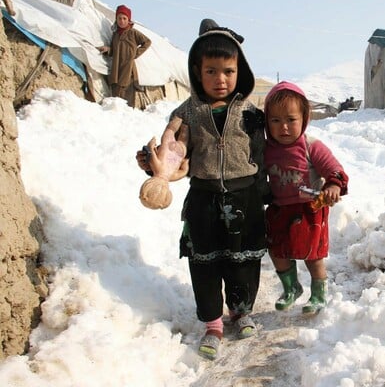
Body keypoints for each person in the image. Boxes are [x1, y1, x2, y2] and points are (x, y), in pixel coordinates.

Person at [136, 19, 268, 361]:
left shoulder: (252, 114)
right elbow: (175, 151)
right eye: (211, 71)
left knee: (243, 261)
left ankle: (241, 311)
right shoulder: (187, 114)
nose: (220, 79)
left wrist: (270, 192)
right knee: (205, 264)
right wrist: (155, 165)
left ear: (240, 71)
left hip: (245, 198)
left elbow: (264, 154)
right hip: (204, 200)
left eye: (228, 70)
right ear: (197, 71)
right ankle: (212, 323)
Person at [263, 81, 349, 315]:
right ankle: (291, 288)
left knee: (313, 256)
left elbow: (334, 169)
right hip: (280, 209)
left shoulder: (311, 146)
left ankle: (319, 295)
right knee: (277, 252)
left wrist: (333, 185)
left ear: (304, 118)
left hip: (310, 209)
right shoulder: (266, 149)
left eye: (291, 120)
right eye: (275, 121)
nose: (284, 127)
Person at [97, 4, 151, 107]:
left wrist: (135, 53)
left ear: (128, 19)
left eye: (124, 18)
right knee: (117, 98)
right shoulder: (116, 34)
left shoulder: (133, 33)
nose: (122, 21)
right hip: (117, 68)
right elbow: (114, 51)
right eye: (119, 18)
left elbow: (147, 42)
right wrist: (108, 49)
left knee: (127, 99)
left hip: (128, 69)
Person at [138, 119, 189, 210]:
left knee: (183, 138)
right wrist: (151, 144)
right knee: (170, 130)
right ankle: (179, 117)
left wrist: (185, 161)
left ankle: (186, 126)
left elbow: (184, 171)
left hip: (181, 152)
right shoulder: (157, 168)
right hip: (168, 144)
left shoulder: (173, 177)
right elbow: (152, 153)